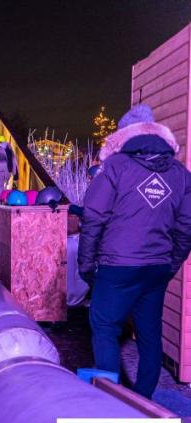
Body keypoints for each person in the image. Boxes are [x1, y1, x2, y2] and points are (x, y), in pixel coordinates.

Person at [78, 104, 191, 399]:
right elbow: (186, 226)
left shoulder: (116, 167)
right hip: (156, 268)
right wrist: (171, 263)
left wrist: (86, 264)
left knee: (104, 326)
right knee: (150, 335)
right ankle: (143, 401)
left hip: (117, 265)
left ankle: (110, 401)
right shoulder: (180, 173)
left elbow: (93, 217)